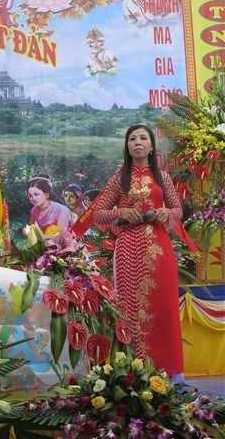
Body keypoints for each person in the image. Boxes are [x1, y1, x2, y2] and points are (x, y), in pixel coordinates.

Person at [94, 124, 184, 382]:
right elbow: (99, 214)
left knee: (165, 307)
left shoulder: (162, 177)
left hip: (159, 248)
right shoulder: (119, 179)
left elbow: (178, 210)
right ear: (127, 146)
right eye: (132, 138)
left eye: (143, 138)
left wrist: (166, 212)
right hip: (128, 251)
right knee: (130, 309)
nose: (138, 142)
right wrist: (121, 212)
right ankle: (133, 373)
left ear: (152, 146)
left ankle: (172, 373)